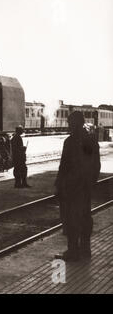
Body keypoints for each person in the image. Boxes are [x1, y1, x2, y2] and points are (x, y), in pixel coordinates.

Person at [55, 111, 100, 262]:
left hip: (72, 187)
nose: (68, 125)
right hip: (84, 186)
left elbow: (64, 166)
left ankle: (73, 251)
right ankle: (86, 250)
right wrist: (90, 182)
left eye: (69, 122)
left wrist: (59, 185)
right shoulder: (91, 139)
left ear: (75, 123)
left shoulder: (70, 141)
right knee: (85, 216)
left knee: (70, 218)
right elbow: (95, 165)